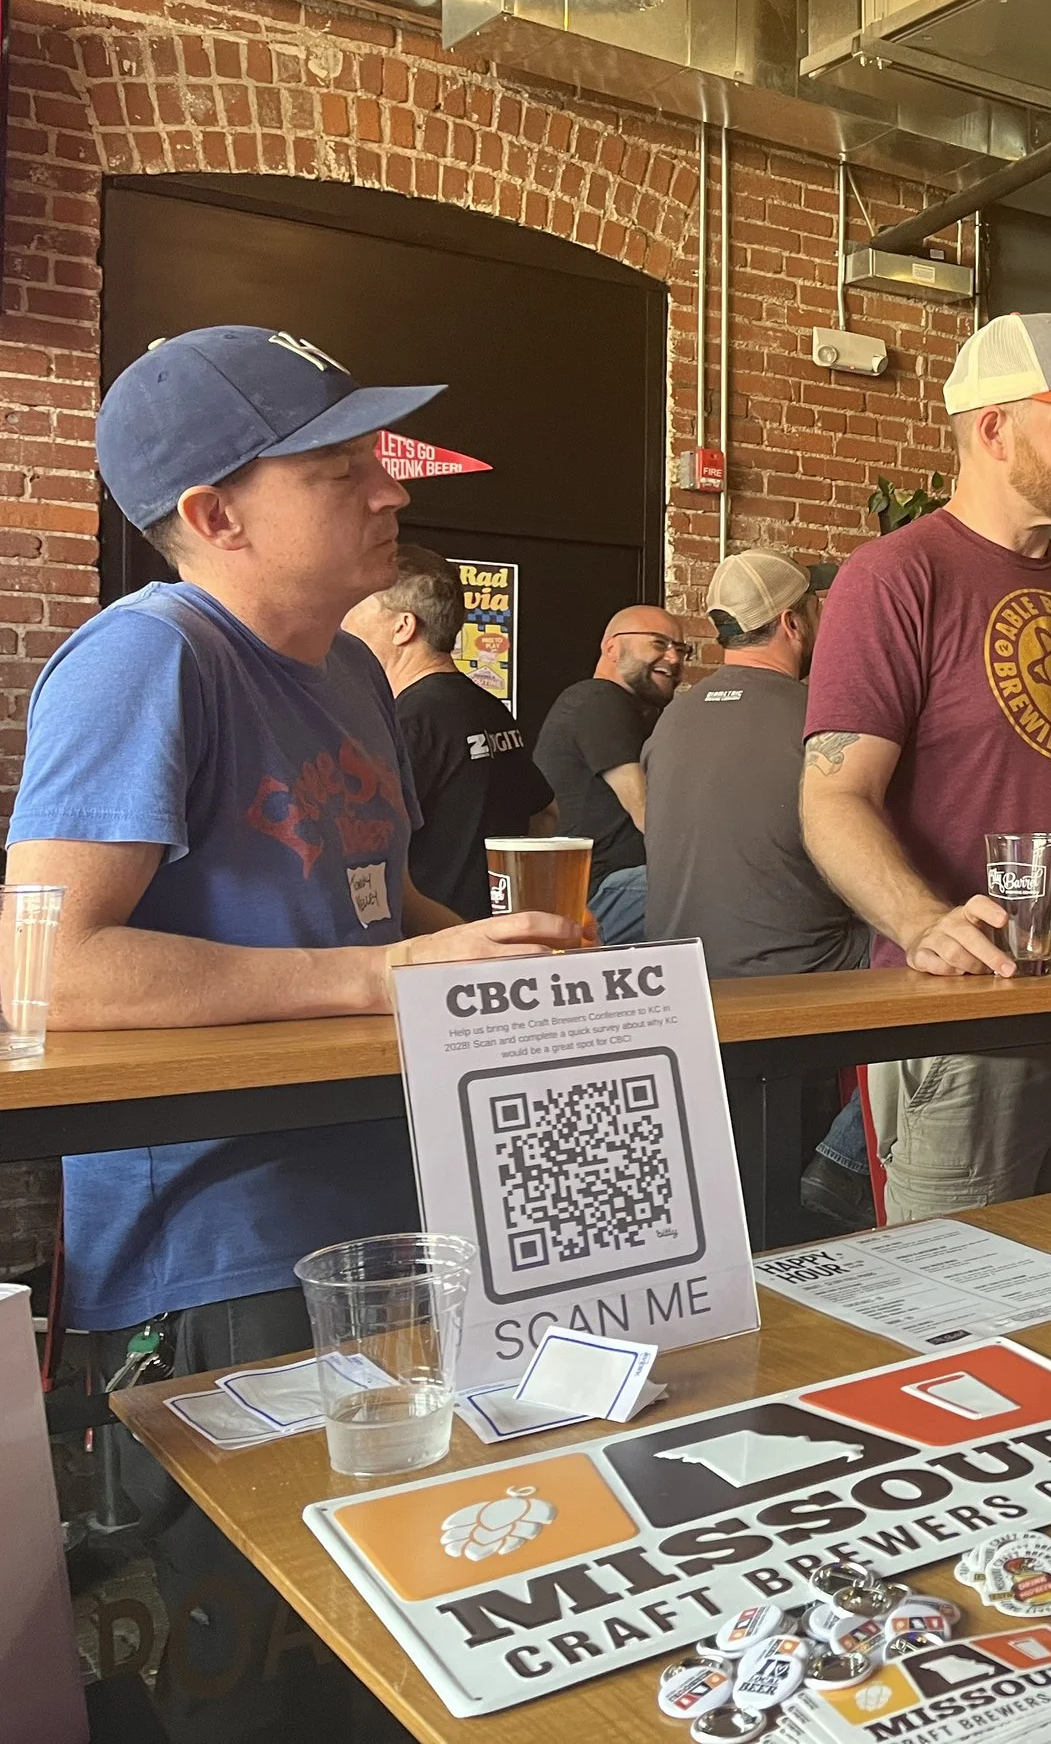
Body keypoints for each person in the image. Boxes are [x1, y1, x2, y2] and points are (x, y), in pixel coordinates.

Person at [7, 326, 575, 1740]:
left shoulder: (349, 678)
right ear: (212, 514)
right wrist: (386, 977)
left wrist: (498, 939)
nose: (390, 491)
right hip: (226, 1252)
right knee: (258, 1679)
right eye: (337, 466)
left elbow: (362, 902)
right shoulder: (145, 656)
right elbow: (46, 967)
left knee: (408, 1636)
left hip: (392, 1213)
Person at [800, 312, 1051, 1220]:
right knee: (961, 1317)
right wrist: (922, 921)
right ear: (992, 429)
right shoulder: (896, 577)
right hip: (975, 1021)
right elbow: (832, 795)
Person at [645, 550, 877, 1230]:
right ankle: (847, 1161)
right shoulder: (821, 718)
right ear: (792, 622)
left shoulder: (672, 719)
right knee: (939, 958)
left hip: (684, 976)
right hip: (801, 979)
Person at [343, 542, 556, 920]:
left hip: (433, 949)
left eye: (355, 609)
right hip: (489, 938)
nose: (343, 624)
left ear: (403, 627)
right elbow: (546, 815)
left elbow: (362, 849)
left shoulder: (407, 720)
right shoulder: (490, 708)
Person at [534, 603, 686, 943]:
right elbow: (646, 812)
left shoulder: (637, 712)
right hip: (609, 889)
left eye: (681, 649)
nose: (674, 659)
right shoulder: (598, 699)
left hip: (616, 887)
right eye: (659, 644)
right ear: (612, 648)